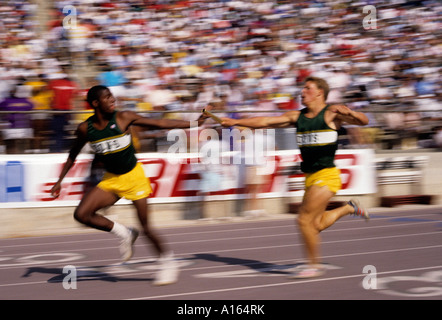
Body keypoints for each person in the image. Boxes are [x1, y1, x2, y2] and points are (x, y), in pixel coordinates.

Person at [51, 85, 209, 286]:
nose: (113, 100)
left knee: (147, 228)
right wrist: (59, 181)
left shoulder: (124, 117)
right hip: (112, 179)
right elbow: (73, 154)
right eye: (107, 97)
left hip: (134, 178)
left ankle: (168, 262)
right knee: (81, 214)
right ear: (95, 103)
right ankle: (124, 232)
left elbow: (160, 123)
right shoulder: (85, 128)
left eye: (112, 96)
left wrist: (193, 123)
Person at [219, 76, 370, 278]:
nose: (302, 92)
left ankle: (314, 265)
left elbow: (364, 121)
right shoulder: (296, 116)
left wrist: (350, 112)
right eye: (302, 88)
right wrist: (236, 121)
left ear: (319, 93)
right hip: (310, 176)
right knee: (314, 225)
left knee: (303, 220)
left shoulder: (332, 113)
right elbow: (265, 121)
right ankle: (348, 208)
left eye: (307, 88)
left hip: (328, 175)